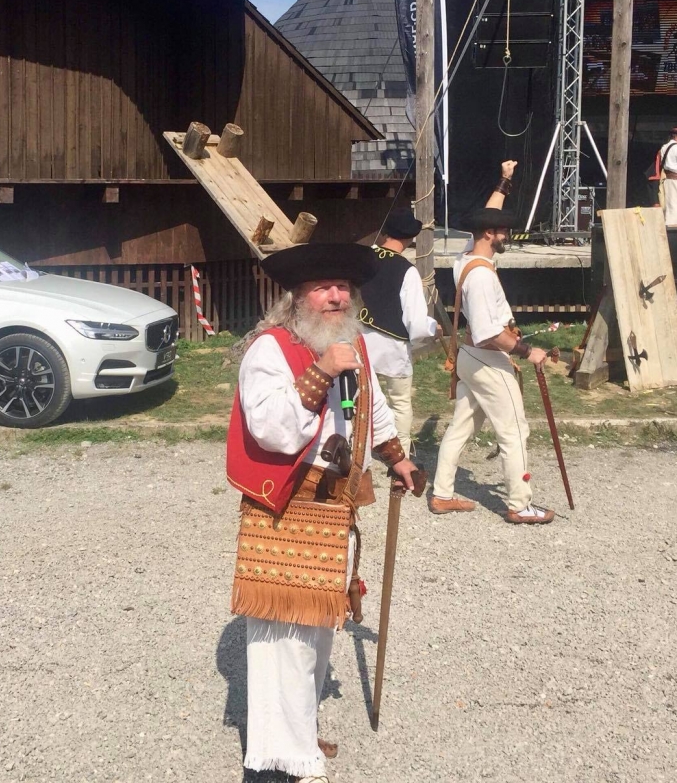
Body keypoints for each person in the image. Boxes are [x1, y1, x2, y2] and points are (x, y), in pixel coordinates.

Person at [228, 242, 421, 782]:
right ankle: (290, 760)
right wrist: (319, 372)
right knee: (286, 641)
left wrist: (397, 457)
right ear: (298, 296)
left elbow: (371, 409)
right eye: (322, 288)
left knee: (317, 634)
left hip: (334, 509)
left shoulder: (351, 343)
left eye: (342, 287)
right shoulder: (269, 350)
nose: (335, 296)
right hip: (285, 509)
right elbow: (270, 429)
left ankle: (297, 735)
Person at [430, 205, 554, 524]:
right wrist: (528, 351)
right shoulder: (482, 276)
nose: (507, 236)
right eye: (503, 231)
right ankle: (520, 505)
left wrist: (503, 184)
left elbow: (486, 213)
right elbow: (489, 333)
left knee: (461, 427)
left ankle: (442, 493)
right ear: (489, 233)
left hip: (470, 356)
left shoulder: (465, 260)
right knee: (514, 430)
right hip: (487, 359)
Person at [358, 210, 439, 459]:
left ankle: (361, 445)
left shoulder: (363, 259)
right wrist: (433, 328)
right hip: (392, 347)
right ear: (410, 238)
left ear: (385, 233)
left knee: (363, 397)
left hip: (360, 341)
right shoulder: (407, 271)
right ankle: (399, 453)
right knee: (400, 403)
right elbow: (415, 321)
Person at [655, 127, 677, 226]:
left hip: (666, 180)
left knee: (669, 205)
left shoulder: (664, 147)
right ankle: (676, 227)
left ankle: (668, 225)